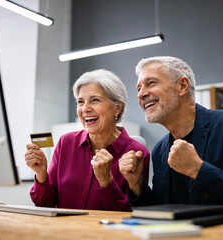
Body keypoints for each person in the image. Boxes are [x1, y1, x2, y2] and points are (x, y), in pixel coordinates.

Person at [119, 56, 223, 215]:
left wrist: (198, 170)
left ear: (182, 86)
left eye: (151, 83)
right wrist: (137, 184)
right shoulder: (160, 150)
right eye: (138, 88)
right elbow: (162, 209)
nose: (141, 94)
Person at [25, 69, 150, 211]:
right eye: (80, 102)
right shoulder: (65, 143)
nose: (85, 109)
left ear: (117, 108)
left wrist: (106, 182)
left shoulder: (138, 153)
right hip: (64, 231)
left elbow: (133, 213)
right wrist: (41, 174)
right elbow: (45, 203)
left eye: (94, 100)